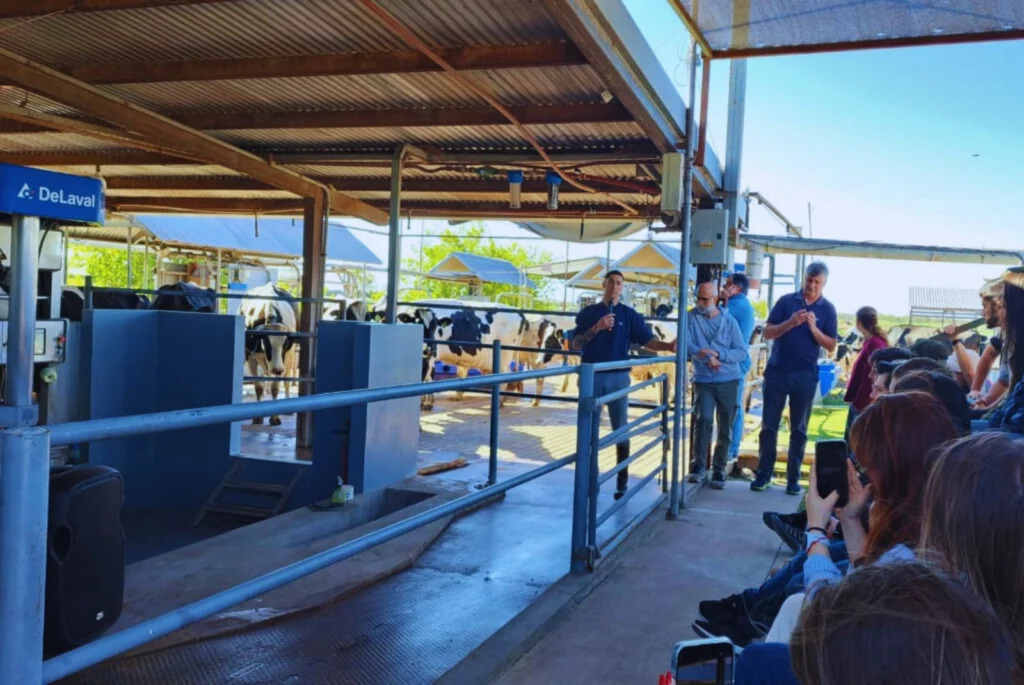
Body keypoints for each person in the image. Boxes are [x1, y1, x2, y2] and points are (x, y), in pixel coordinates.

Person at [694, 391, 957, 646]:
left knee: (765, 649)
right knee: (792, 604)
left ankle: (747, 622)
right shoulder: (929, 515)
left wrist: (816, 530)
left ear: (894, 467)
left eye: (867, 465)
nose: (861, 473)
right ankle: (748, 616)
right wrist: (850, 519)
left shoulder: (916, 553)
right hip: (877, 642)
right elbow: (865, 577)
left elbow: (826, 609)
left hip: (867, 654)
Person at [571, 270, 677, 498]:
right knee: (589, 431)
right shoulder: (588, 313)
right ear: (603, 285)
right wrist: (596, 328)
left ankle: (622, 480)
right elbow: (575, 344)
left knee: (621, 428)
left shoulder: (629, 315)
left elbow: (647, 341)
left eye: (619, 283)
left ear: (622, 288)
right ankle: (591, 480)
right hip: (592, 375)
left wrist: (668, 347)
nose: (614, 287)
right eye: (611, 282)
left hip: (619, 377)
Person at [752, 262, 838, 494]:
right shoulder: (786, 301)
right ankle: (763, 475)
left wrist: (813, 328)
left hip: (805, 375)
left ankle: (792, 479)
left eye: (816, 282)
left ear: (824, 284)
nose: (811, 285)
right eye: (808, 280)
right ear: (803, 278)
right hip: (777, 371)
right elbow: (768, 332)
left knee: (799, 429)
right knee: (769, 426)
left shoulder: (828, 309)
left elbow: (831, 345)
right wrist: (790, 323)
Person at [686, 281, 749, 488]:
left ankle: (719, 469)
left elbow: (741, 352)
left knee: (725, 425)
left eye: (706, 299)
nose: (701, 303)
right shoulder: (690, 318)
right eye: (699, 298)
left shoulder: (729, 321)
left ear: (716, 299)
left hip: (728, 380)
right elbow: (686, 344)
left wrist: (720, 355)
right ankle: (699, 466)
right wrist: (703, 355)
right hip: (704, 379)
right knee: (703, 419)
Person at [722, 273, 756, 463]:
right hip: (734, 362)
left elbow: (715, 318)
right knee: (733, 407)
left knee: (733, 408)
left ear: (737, 288)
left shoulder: (736, 305)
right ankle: (730, 449)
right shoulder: (741, 305)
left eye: (727, 284)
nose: (724, 288)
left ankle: (731, 450)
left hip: (733, 363)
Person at [841, 306, 888, 441]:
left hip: (864, 401)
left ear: (859, 323)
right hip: (861, 399)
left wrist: (861, 402)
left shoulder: (875, 344)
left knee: (855, 442)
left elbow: (872, 377)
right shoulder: (870, 342)